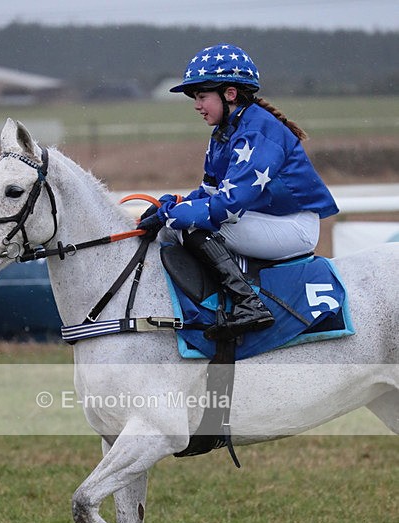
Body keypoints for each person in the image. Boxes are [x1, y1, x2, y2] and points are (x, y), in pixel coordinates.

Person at [139, 43, 339, 340]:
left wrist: (173, 213)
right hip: (266, 220)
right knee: (174, 226)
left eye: (202, 96)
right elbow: (209, 192)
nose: (196, 105)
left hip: (294, 228)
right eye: (195, 97)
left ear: (229, 94)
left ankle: (250, 305)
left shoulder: (258, 131)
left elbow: (229, 206)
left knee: (188, 225)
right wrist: (172, 203)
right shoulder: (225, 131)